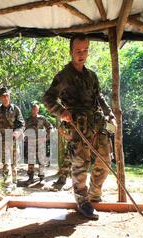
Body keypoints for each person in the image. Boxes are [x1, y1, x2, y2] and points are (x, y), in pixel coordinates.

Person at [43, 34, 116, 220]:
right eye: (78, 51)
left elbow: (99, 98)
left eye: (85, 50)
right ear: (71, 52)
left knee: (105, 160)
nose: (82, 54)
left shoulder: (92, 76)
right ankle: (82, 201)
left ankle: (94, 194)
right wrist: (61, 112)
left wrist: (110, 115)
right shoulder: (63, 76)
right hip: (76, 126)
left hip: (97, 124)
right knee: (80, 165)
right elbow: (48, 98)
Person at [0, 87, 25, 190]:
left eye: (6, 96)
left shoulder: (15, 109)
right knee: (6, 162)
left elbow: (22, 124)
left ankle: (14, 182)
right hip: (2, 139)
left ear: (9, 96)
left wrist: (17, 133)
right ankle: (7, 183)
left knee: (14, 162)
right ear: (0, 98)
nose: (5, 98)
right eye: (2, 96)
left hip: (14, 139)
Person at [24, 102, 53, 184]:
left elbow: (49, 127)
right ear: (31, 110)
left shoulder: (42, 118)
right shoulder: (28, 120)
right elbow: (23, 130)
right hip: (31, 143)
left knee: (41, 160)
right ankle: (30, 178)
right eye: (33, 109)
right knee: (31, 161)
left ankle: (42, 178)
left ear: (38, 110)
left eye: (36, 109)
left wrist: (47, 137)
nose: (34, 110)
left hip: (41, 142)